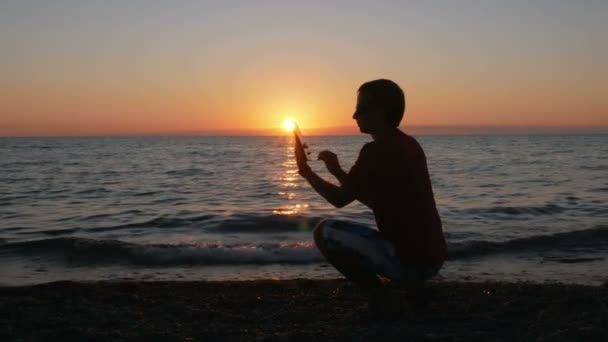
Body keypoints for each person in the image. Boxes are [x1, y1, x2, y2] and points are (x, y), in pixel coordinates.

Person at [294, 79, 447, 319]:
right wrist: (335, 170)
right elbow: (373, 199)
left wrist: (306, 171)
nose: (354, 115)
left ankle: (382, 298)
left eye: (362, 108)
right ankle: (414, 289)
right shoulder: (408, 144)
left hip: (408, 261)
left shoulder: (376, 151)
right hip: (432, 258)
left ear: (381, 111)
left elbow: (339, 200)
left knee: (324, 232)